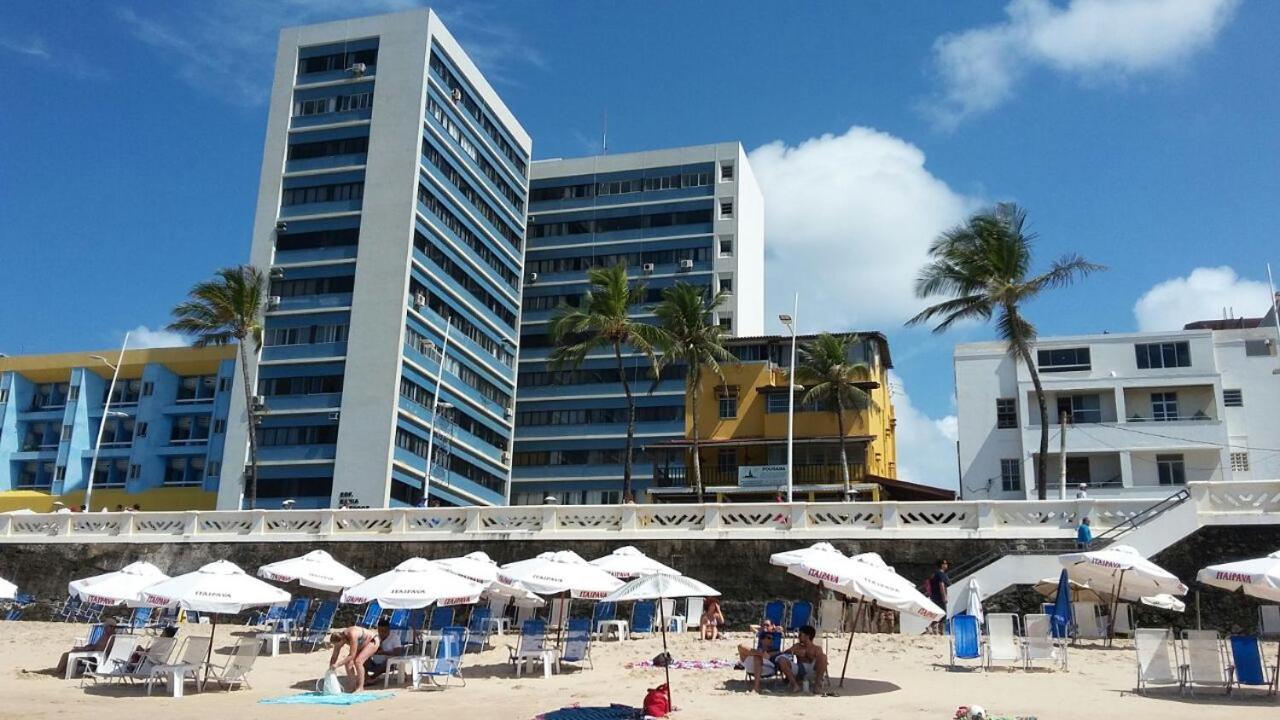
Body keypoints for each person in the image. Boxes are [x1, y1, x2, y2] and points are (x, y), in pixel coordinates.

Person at [774, 625, 829, 694]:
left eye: (800, 635)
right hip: (799, 668)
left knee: (823, 657)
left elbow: (821, 663)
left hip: (812, 670)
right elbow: (785, 653)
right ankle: (795, 685)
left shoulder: (817, 648)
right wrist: (794, 652)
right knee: (781, 659)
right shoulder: (797, 646)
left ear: (807, 636)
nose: (798, 637)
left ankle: (817, 687)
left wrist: (809, 656)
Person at [328, 625, 381, 692]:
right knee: (348, 663)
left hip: (372, 641)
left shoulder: (352, 634)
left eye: (338, 644)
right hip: (361, 644)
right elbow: (334, 657)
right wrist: (330, 670)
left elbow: (351, 655)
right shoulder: (339, 639)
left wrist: (337, 665)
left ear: (342, 639)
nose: (338, 646)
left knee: (358, 661)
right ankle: (353, 687)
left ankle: (360, 687)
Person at [928, 559, 950, 634]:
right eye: (945, 563)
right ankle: (941, 631)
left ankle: (933, 629)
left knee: (938, 613)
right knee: (943, 614)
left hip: (934, 597)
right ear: (942, 565)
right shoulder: (941, 574)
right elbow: (942, 585)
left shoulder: (934, 574)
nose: (947, 565)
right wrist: (944, 597)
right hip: (940, 597)